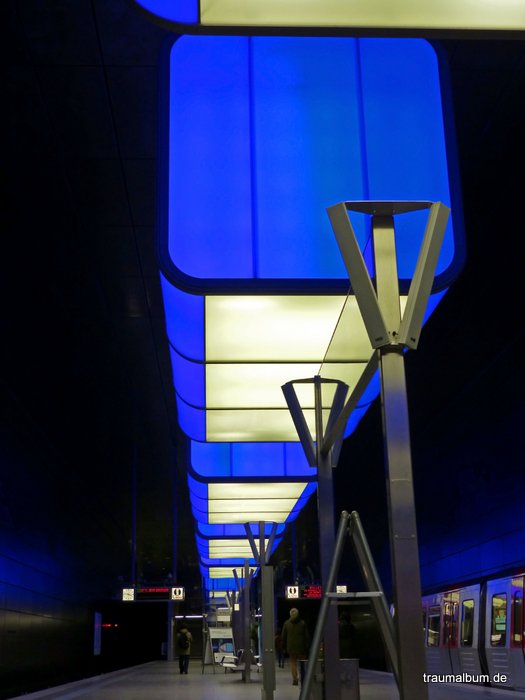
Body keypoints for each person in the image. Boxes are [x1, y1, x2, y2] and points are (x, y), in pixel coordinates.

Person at [281, 608, 309, 686]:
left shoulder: (286, 623)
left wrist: (283, 647)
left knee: (293, 664)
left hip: (291, 648)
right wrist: (307, 647)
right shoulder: (303, 623)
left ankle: (295, 680)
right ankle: (303, 678)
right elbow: (306, 637)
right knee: (303, 663)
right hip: (301, 647)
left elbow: (283, 637)